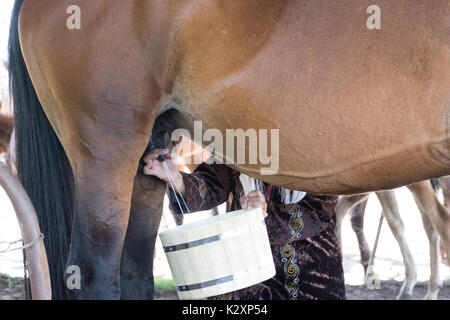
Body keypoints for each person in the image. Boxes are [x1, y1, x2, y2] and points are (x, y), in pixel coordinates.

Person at [143, 149, 346, 300]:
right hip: (245, 269)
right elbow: (212, 183)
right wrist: (174, 177)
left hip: (311, 277)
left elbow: (318, 210)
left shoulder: (318, 142)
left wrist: (264, 213)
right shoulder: (239, 139)